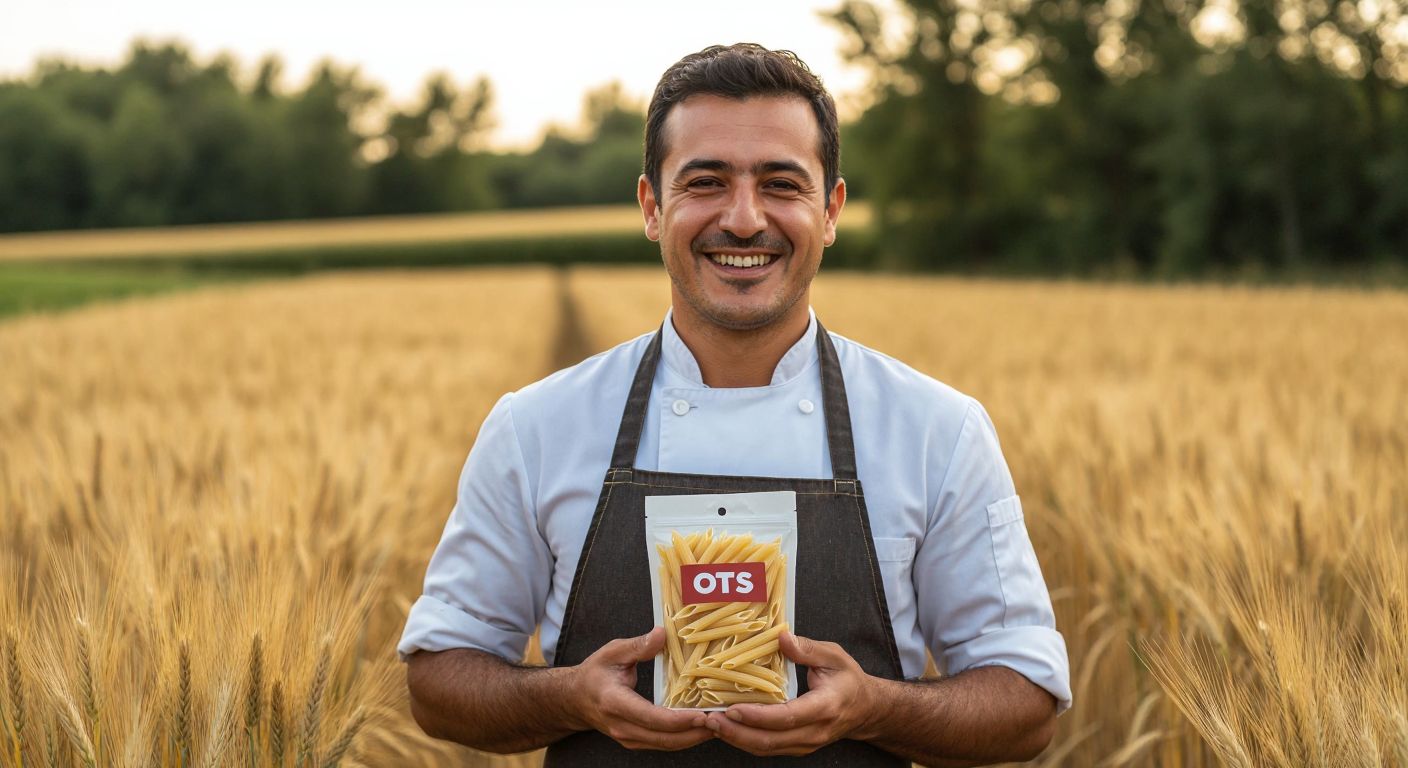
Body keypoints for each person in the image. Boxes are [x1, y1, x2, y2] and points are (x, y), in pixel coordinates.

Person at [399, 43, 1070, 766]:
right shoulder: (535, 429)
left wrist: (876, 708)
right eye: (706, 182)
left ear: (831, 209)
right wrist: (569, 698)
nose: (745, 220)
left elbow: (1026, 703)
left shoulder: (939, 432)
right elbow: (438, 682)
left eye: (782, 184)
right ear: (653, 207)